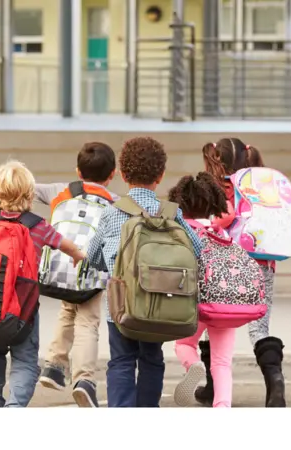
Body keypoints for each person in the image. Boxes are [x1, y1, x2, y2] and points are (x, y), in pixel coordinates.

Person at [0, 160, 86, 408]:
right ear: (30, 195)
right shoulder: (37, 226)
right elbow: (66, 245)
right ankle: (14, 407)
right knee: (25, 361)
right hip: (22, 312)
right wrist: (79, 257)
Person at [87, 137, 203, 407]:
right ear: (160, 176)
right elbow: (196, 251)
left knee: (121, 361)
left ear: (124, 175)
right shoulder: (171, 213)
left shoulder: (111, 213)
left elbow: (93, 257)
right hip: (161, 303)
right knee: (152, 359)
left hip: (120, 307)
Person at [198, 137, 286, 407]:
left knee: (213, 322)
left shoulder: (212, 189)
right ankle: (275, 383)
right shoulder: (260, 188)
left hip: (222, 265)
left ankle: (214, 386)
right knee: (259, 326)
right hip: (261, 263)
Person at [35, 142, 119, 407]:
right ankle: (84, 380)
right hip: (90, 272)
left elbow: (26, 187)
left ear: (78, 172)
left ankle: (54, 366)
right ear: (113, 174)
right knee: (88, 323)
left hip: (58, 270)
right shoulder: (114, 203)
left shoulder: (60, 191)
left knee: (67, 310)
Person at [168, 173, 241, 408]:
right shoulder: (221, 232)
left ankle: (193, 366)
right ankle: (223, 406)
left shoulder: (183, 231)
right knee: (222, 362)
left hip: (195, 302)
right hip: (225, 303)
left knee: (184, 344)